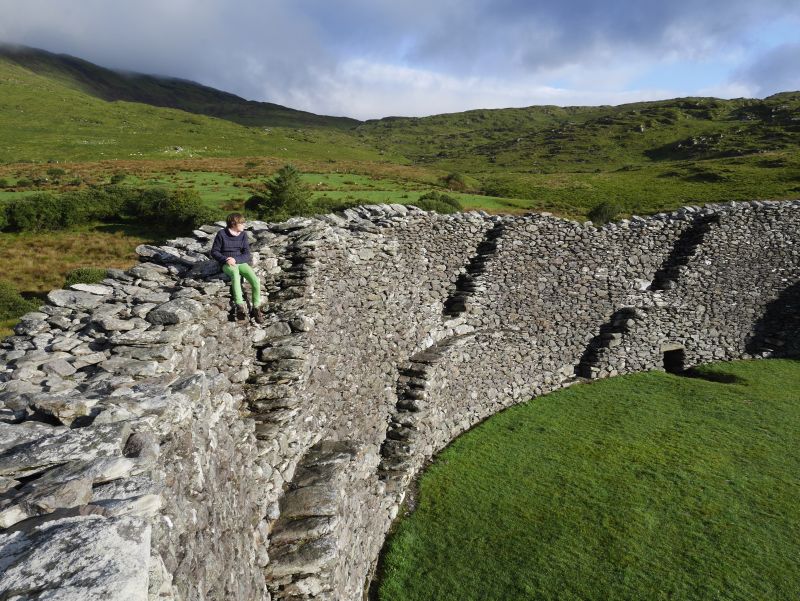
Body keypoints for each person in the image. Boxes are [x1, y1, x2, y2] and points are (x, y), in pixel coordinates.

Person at [210, 213, 263, 323]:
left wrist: (236, 260)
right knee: (235, 274)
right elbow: (214, 252)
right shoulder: (221, 234)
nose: (244, 225)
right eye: (242, 223)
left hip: (241, 262)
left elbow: (247, 253)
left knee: (255, 281)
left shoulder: (243, 234)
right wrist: (226, 259)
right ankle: (239, 306)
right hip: (227, 264)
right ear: (234, 223)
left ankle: (256, 308)